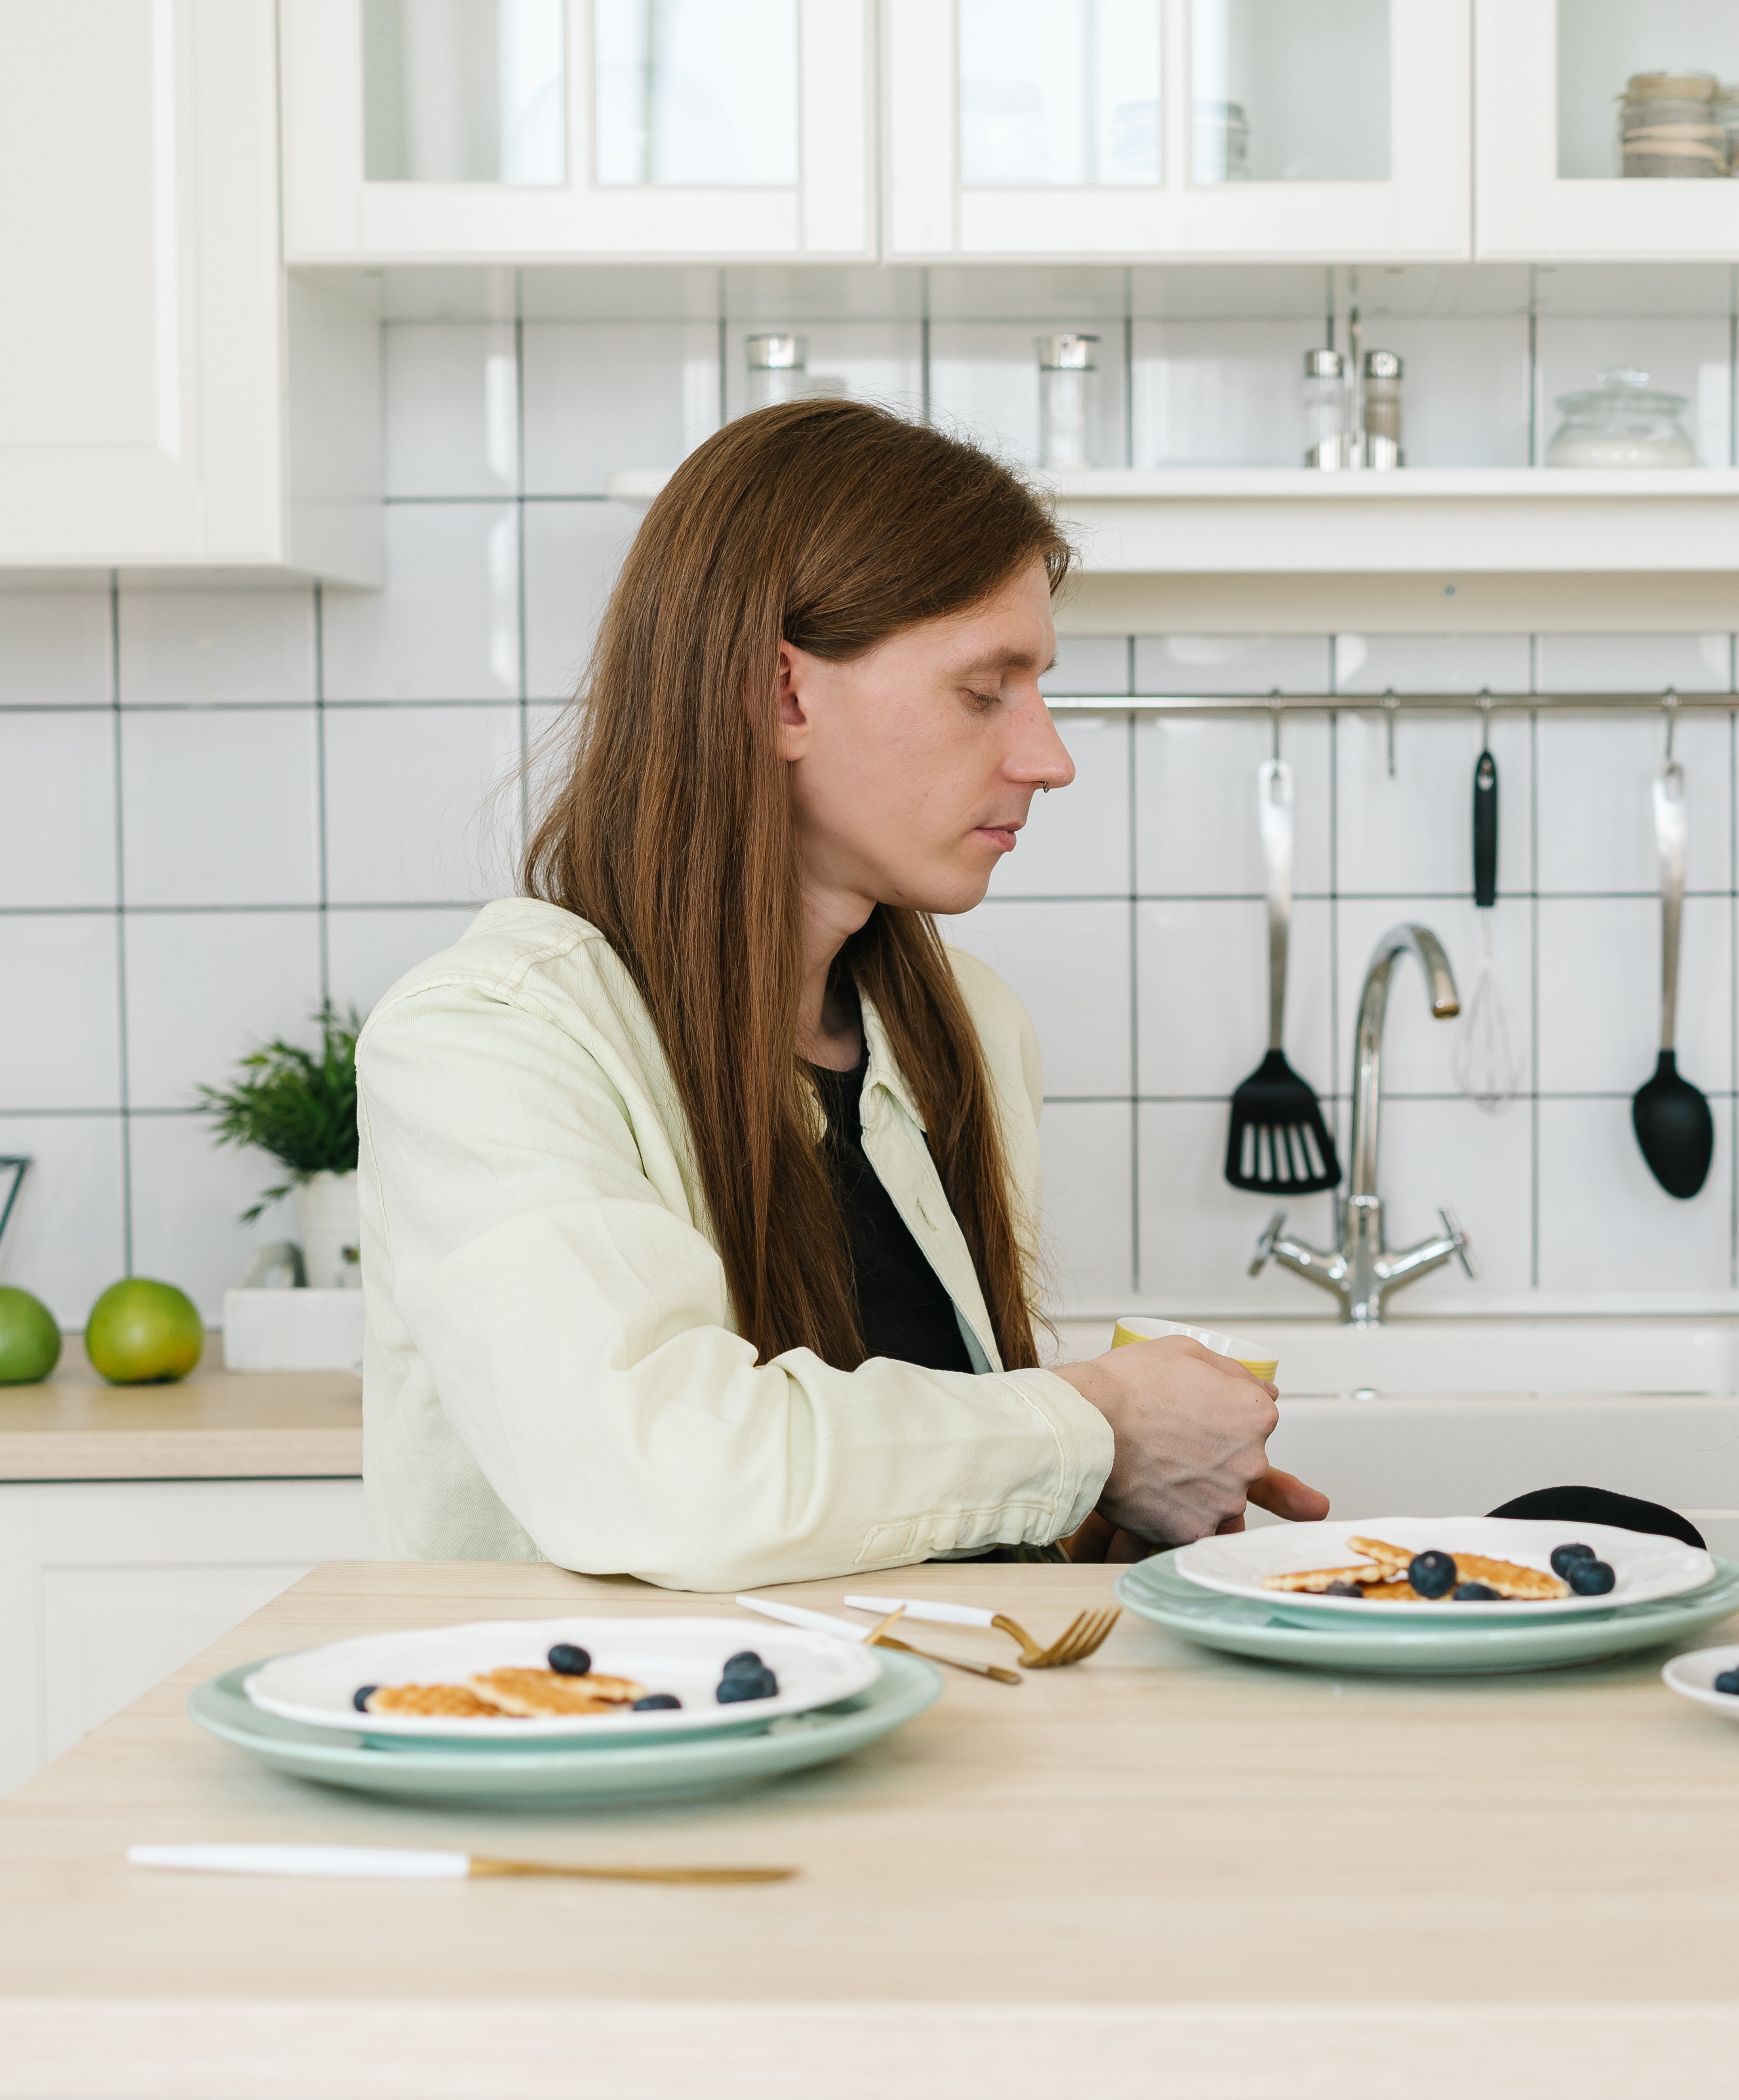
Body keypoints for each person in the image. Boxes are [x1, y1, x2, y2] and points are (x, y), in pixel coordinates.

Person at [357, 398, 1324, 1592]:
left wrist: (1105, 1502)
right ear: (781, 696)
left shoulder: (964, 1025)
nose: (1049, 757)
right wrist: (1094, 1430)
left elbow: (912, 1499)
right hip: (614, 1748)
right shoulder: (491, 1041)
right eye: (987, 690)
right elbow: (672, 1483)